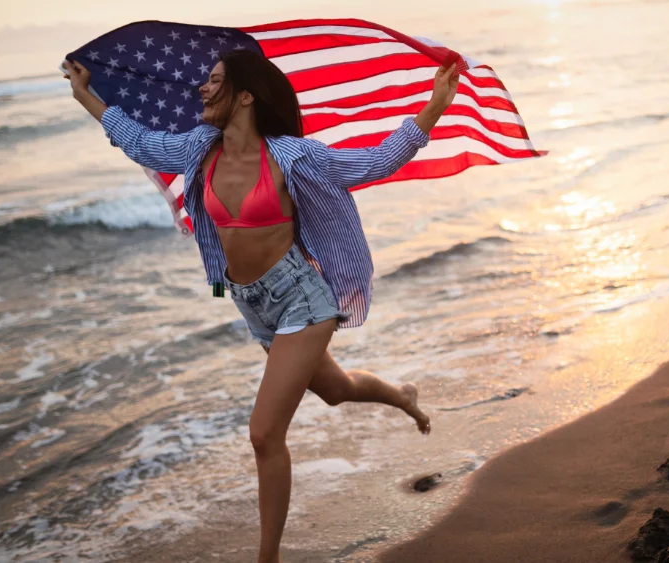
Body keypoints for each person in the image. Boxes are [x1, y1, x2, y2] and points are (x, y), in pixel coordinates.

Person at [63, 49, 459, 562]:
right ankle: (402, 393)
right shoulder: (196, 151)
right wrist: (85, 96)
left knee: (264, 433)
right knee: (336, 390)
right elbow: (137, 139)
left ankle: (267, 556)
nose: (201, 89)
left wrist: (434, 108)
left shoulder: (292, 157)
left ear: (245, 96)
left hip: (302, 299)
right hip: (253, 304)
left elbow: (374, 162)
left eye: (214, 81)